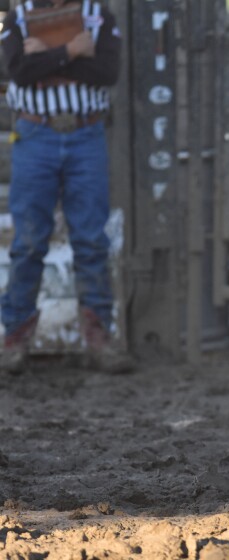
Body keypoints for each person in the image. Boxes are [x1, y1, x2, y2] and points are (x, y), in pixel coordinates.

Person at [0, 0, 133, 374]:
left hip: (83, 131)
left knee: (91, 238)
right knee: (28, 241)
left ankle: (98, 337)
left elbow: (107, 71)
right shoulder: (18, 15)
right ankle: (15, 338)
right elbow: (20, 71)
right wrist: (73, 50)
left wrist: (48, 57)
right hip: (36, 132)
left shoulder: (99, 12)